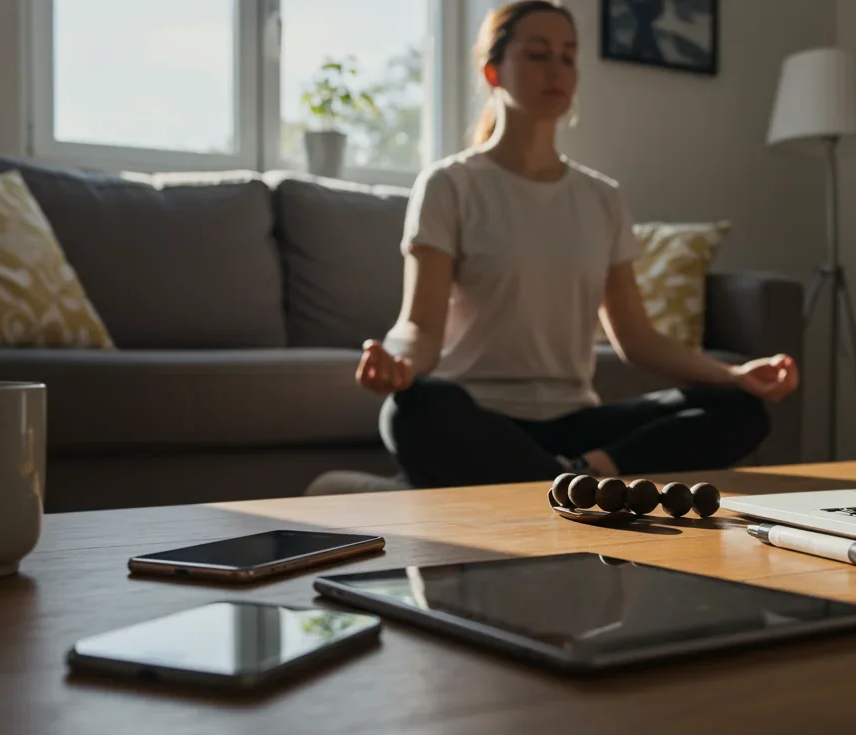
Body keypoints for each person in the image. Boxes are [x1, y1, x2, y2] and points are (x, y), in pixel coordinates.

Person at [306, 0, 798, 496]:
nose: (557, 70)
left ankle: (570, 481)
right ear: (494, 71)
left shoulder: (601, 197)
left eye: (568, 56)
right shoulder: (449, 185)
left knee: (739, 410)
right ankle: (568, 488)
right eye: (538, 55)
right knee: (413, 409)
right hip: (482, 416)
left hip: (577, 424)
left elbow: (637, 338)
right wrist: (399, 365)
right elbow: (420, 327)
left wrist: (734, 374)